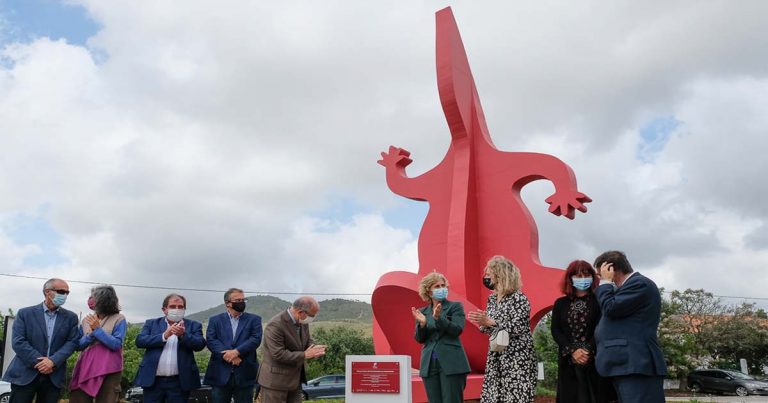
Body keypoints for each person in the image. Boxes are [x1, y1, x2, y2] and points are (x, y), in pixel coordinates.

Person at [593, 251, 667, 403]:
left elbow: (611, 308)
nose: (599, 279)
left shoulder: (640, 284)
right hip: (625, 365)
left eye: (600, 274)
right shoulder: (624, 289)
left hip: (636, 364)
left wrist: (606, 284)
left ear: (611, 269)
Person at [468, 256, 536, 403]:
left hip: (517, 357)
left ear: (500, 274)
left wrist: (491, 322)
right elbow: (490, 327)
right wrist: (483, 322)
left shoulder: (519, 298)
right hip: (496, 355)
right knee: (494, 396)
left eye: (489, 273)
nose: (486, 276)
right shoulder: (492, 299)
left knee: (515, 396)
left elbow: (519, 327)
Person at [2, 278, 79, 403]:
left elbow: (72, 342)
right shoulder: (25, 313)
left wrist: (53, 361)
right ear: (47, 292)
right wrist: (43, 363)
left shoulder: (71, 317)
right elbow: (18, 341)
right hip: (25, 373)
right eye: (61, 291)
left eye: (67, 292)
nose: (64, 295)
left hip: (53, 375)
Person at [551, 261, 615, 403]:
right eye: (578, 275)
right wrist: (573, 351)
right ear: (570, 278)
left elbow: (601, 327)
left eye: (586, 274)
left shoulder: (599, 300)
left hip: (594, 360)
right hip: (568, 361)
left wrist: (586, 350)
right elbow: (556, 330)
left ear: (593, 277)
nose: (582, 278)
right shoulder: (560, 303)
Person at [133, 293, 206, 403]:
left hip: (180, 382)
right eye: (173, 307)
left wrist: (183, 335)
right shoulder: (152, 323)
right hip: (153, 381)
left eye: (180, 307)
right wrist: (164, 336)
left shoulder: (193, 325)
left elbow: (200, 344)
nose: (177, 309)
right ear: (164, 309)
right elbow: (140, 341)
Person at [412, 272, 470, 403]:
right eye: (437, 286)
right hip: (429, 363)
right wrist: (422, 324)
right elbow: (420, 339)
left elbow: (457, 330)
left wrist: (439, 318)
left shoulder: (455, 307)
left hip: (451, 363)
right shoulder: (422, 312)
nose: (441, 288)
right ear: (429, 291)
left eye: (443, 285)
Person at [257, 296, 326, 403]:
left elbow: (306, 341)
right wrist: (305, 355)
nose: (313, 318)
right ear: (300, 312)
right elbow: (278, 354)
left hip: (295, 382)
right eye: (312, 315)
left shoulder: (303, 322)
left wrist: (313, 348)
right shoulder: (275, 324)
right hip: (275, 382)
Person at [69, 285, 127, 403]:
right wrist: (91, 335)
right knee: (78, 399)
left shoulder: (119, 319)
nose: (90, 300)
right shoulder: (86, 320)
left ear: (104, 300)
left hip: (109, 370)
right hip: (85, 368)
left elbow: (116, 344)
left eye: (93, 297)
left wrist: (97, 330)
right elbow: (78, 345)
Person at [204, 288, 263, 403]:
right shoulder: (215, 320)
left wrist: (236, 352)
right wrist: (229, 356)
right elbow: (211, 340)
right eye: (238, 300)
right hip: (220, 373)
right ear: (228, 303)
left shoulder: (254, 319)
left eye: (243, 300)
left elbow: (255, 339)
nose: (241, 302)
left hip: (245, 372)